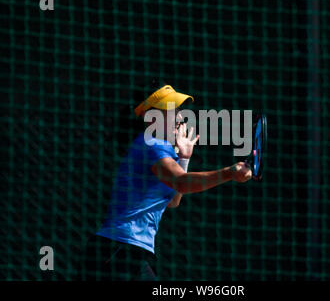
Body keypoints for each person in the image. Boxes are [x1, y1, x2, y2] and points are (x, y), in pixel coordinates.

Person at [81, 84, 252, 280]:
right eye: (173, 111)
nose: (180, 118)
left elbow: (173, 201)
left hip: (124, 251)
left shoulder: (158, 148)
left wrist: (184, 158)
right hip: (117, 249)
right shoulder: (152, 144)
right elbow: (181, 182)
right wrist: (229, 173)